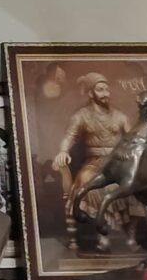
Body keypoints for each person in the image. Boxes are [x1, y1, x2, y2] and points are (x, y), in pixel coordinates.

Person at [53, 73, 133, 221]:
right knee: (86, 180)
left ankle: (124, 227)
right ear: (91, 93)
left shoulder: (120, 116)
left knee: (132, 181)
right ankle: (102, 222)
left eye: (107, 90)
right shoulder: (81, 116)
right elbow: (69, 137)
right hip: (94, 163)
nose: (105, 94)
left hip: (117, 162)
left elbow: (133, 140)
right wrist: (63, 151)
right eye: (100, 90)